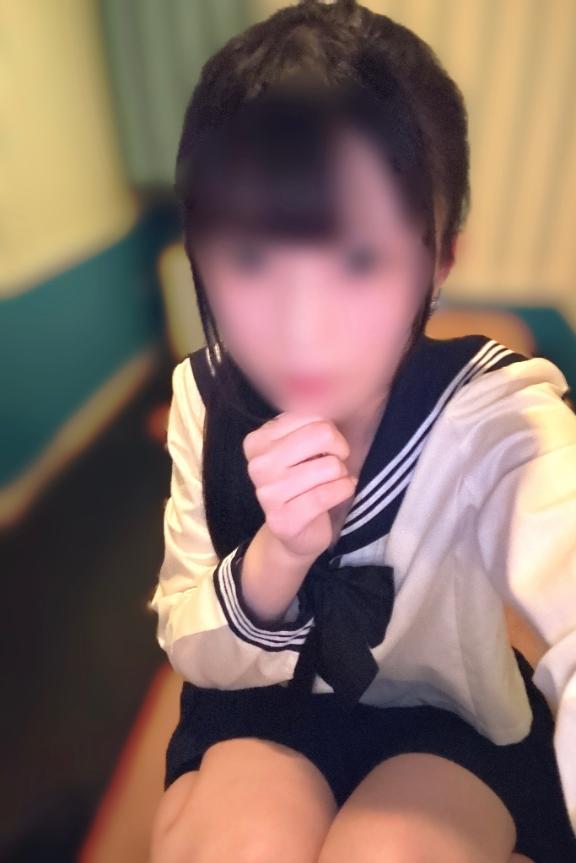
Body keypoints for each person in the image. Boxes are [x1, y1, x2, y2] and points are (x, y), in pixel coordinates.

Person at [147, 1, 576, 860]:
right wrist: (276, 556)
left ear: (439, 258)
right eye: (251, 259)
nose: (301, 324)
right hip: (259, 702)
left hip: (444, 721)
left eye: (358, 259)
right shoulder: (204, 395)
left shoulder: (491, 410)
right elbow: (186, 630)